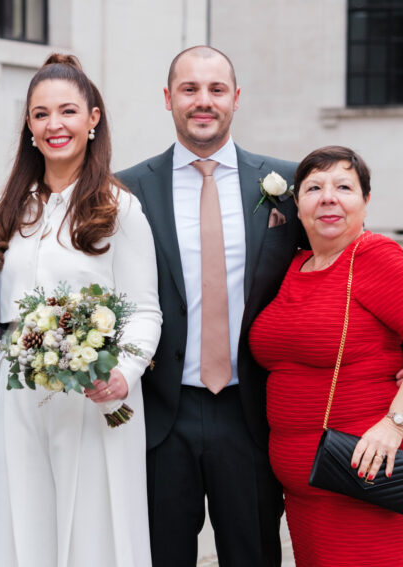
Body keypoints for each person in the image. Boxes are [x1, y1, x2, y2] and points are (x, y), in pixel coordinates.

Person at [0, 54, 162, 567]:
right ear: (28, 126)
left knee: (95, 528)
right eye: (41, 114)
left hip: (94, 391)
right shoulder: (10, 206)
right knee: (19, 521)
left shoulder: (119, 208)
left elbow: (145, 308)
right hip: (14, 391)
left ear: (93, 119)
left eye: (68, 111)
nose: (55, 125)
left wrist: (125, 372)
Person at [115, 46, 305, 567]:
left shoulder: (287, 185)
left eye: (216, 90)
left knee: (253, 553)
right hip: (160, 415)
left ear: (236, 99)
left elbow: (334, 265)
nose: (204, 101)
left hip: (250, 412)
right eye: (190, 89)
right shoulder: (127, 189)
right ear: (168, 98)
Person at [249, 146, 403, 566]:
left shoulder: (376, 256)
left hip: (369, 464)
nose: (328, 197)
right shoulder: (293, 266)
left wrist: (393, 427)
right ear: (298, 204)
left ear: (365, 201)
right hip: (307, 482)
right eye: (314, 188)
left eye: (344, 186)